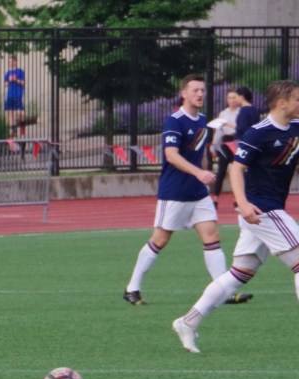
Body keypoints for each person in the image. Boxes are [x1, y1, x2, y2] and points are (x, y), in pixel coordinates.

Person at [173, 80, 299, 353]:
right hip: (261, 209)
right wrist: (243, 204)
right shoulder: (258, 133)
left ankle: (188, 322)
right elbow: (235, 169)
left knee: (239, 274)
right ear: (282, 103)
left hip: (265, 210)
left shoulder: (296, 127)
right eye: (297, 100)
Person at [123, 73, 251, 306]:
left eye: (202, 90)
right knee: (160, 239)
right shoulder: (175, 120)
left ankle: (223, 291)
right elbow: (171, 155)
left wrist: (205, 172)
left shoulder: (202, 120)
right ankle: (132, 288)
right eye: (195, 90)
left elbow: (200, 155)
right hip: (175, 192)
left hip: (198, 193)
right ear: (184, 94)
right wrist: (199, 173)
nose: (200, 94)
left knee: (212, 236)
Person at [210, 88, 240, 204]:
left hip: (236, 141)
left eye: (234, 97)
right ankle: (215, 198)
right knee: (221, 170)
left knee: (237, 171)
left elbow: (241, 128)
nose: (232, 100)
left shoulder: (241, 113)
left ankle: (237, 198)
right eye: (229, 98)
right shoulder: (223, 113)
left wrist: (230, 124)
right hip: (225, 142)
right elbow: (219, 131)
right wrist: (213, 145)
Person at [4, 56, 26, 140]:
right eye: (9, 62)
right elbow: (5, 85)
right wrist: (9, 81)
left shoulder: (20, 71)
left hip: (18, 94)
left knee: (19, 113)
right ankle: (14, 131)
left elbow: (23, 83)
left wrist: (16, 80)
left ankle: (22, 130)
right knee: (10, 114)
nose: (11, 63)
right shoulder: (7, 73)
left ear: (16, 62)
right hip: (9, 95)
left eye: (13, 61)